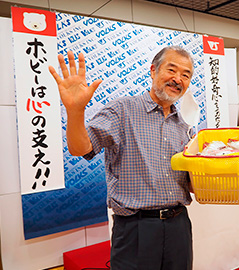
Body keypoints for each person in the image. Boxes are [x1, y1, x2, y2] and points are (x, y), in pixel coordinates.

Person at [49, 46, 196, 270]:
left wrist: (236, 186)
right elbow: (81, 148)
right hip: (136, 229)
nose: (178, 79)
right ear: (153, 71)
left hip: (179, 226)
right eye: (172, 70)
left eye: (186, 75)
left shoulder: (185, 126)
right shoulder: (122, 110)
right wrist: (75, 111)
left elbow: (193, 182)